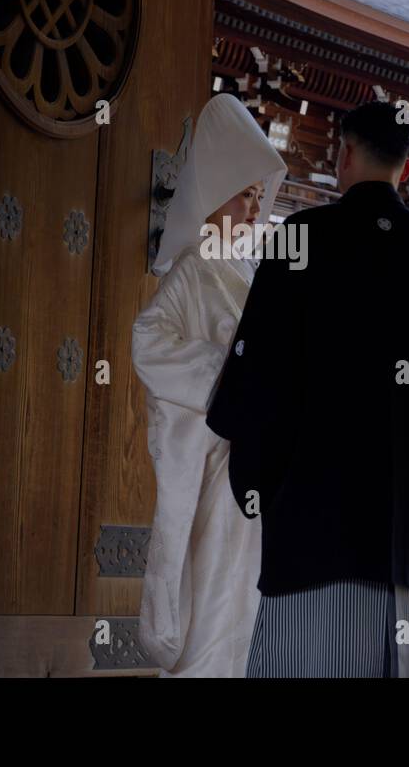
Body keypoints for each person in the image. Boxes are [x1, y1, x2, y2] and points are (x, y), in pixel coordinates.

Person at [206, 101, 409, 678]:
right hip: (406, 546)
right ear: (406, 170)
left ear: (345, 156)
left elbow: (256, 374)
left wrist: (260, 484)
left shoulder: (304, 238)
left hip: (313, 532)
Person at [131, 93, 286, 677]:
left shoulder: (250, 270)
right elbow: (148, 341)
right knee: (217, 602)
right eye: (242, 194)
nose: (253, 209)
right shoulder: (195, 269)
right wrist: (232, 378)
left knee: (247, 609)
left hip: (260, 468)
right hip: (222, 465)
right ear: (212, 193)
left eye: (256, 196)